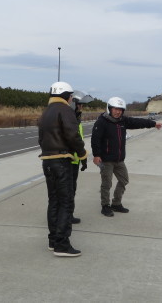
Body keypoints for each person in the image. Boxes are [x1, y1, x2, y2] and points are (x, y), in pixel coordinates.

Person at [38, 81, 88, 257]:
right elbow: (72, 135)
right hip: (62, 161)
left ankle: (53, 241)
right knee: (66, 203)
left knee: (54, 201)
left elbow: (41, 139)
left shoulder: (46, 113)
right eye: (71, 96)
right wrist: (82, 154)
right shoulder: (65, 110)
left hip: (47, 161)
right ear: (67, 96)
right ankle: (62, 245)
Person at [91, 97, 162, 217]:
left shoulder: (122, 121)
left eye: (120, 110)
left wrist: (153, 124)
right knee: (106, 183)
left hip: (119, 159)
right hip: (106, 159)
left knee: (124, 180)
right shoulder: (101, 122)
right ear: (109, 108)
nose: (118, 112)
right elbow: (95, 139)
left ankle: (116, 203)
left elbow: (138, 122)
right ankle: (105, 205)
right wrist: (96, 155)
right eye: (115, 109)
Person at [69, 90, 94, 224]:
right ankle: (65, 216)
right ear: (74, 104)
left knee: (71, 190)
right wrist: (82, 156)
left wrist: (82, 159)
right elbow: (74, 140)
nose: (82, 108)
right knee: (67, 191)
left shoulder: (75, 118)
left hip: (75, 161)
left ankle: (68, 214)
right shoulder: (70, 119)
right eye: (80, 105)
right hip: (69, 161)